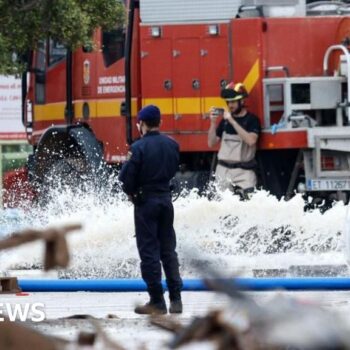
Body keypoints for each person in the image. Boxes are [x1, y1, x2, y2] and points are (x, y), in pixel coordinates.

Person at [118, 105, 183, 315]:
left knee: (149, 252)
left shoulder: (137, 148)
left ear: (142, 124)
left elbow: (127, 179)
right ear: (160, 123)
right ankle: (176, 299)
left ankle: (157, 301)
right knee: (168, 250)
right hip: (166, 200)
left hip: (145, 203)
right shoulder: (172, 145)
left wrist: (132, 193)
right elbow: (174, 169)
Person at [208, 82, 261, 197]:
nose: (230, 105)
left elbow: (251, 141)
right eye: (228, 102)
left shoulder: (252, 120)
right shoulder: (224, 121)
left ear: (242, 101)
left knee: (250, 204)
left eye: (233, 102)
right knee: (221, 208)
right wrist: (212, 123)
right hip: (223, 170)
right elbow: (211, 143)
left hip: (244, 171)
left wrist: (232, 121)